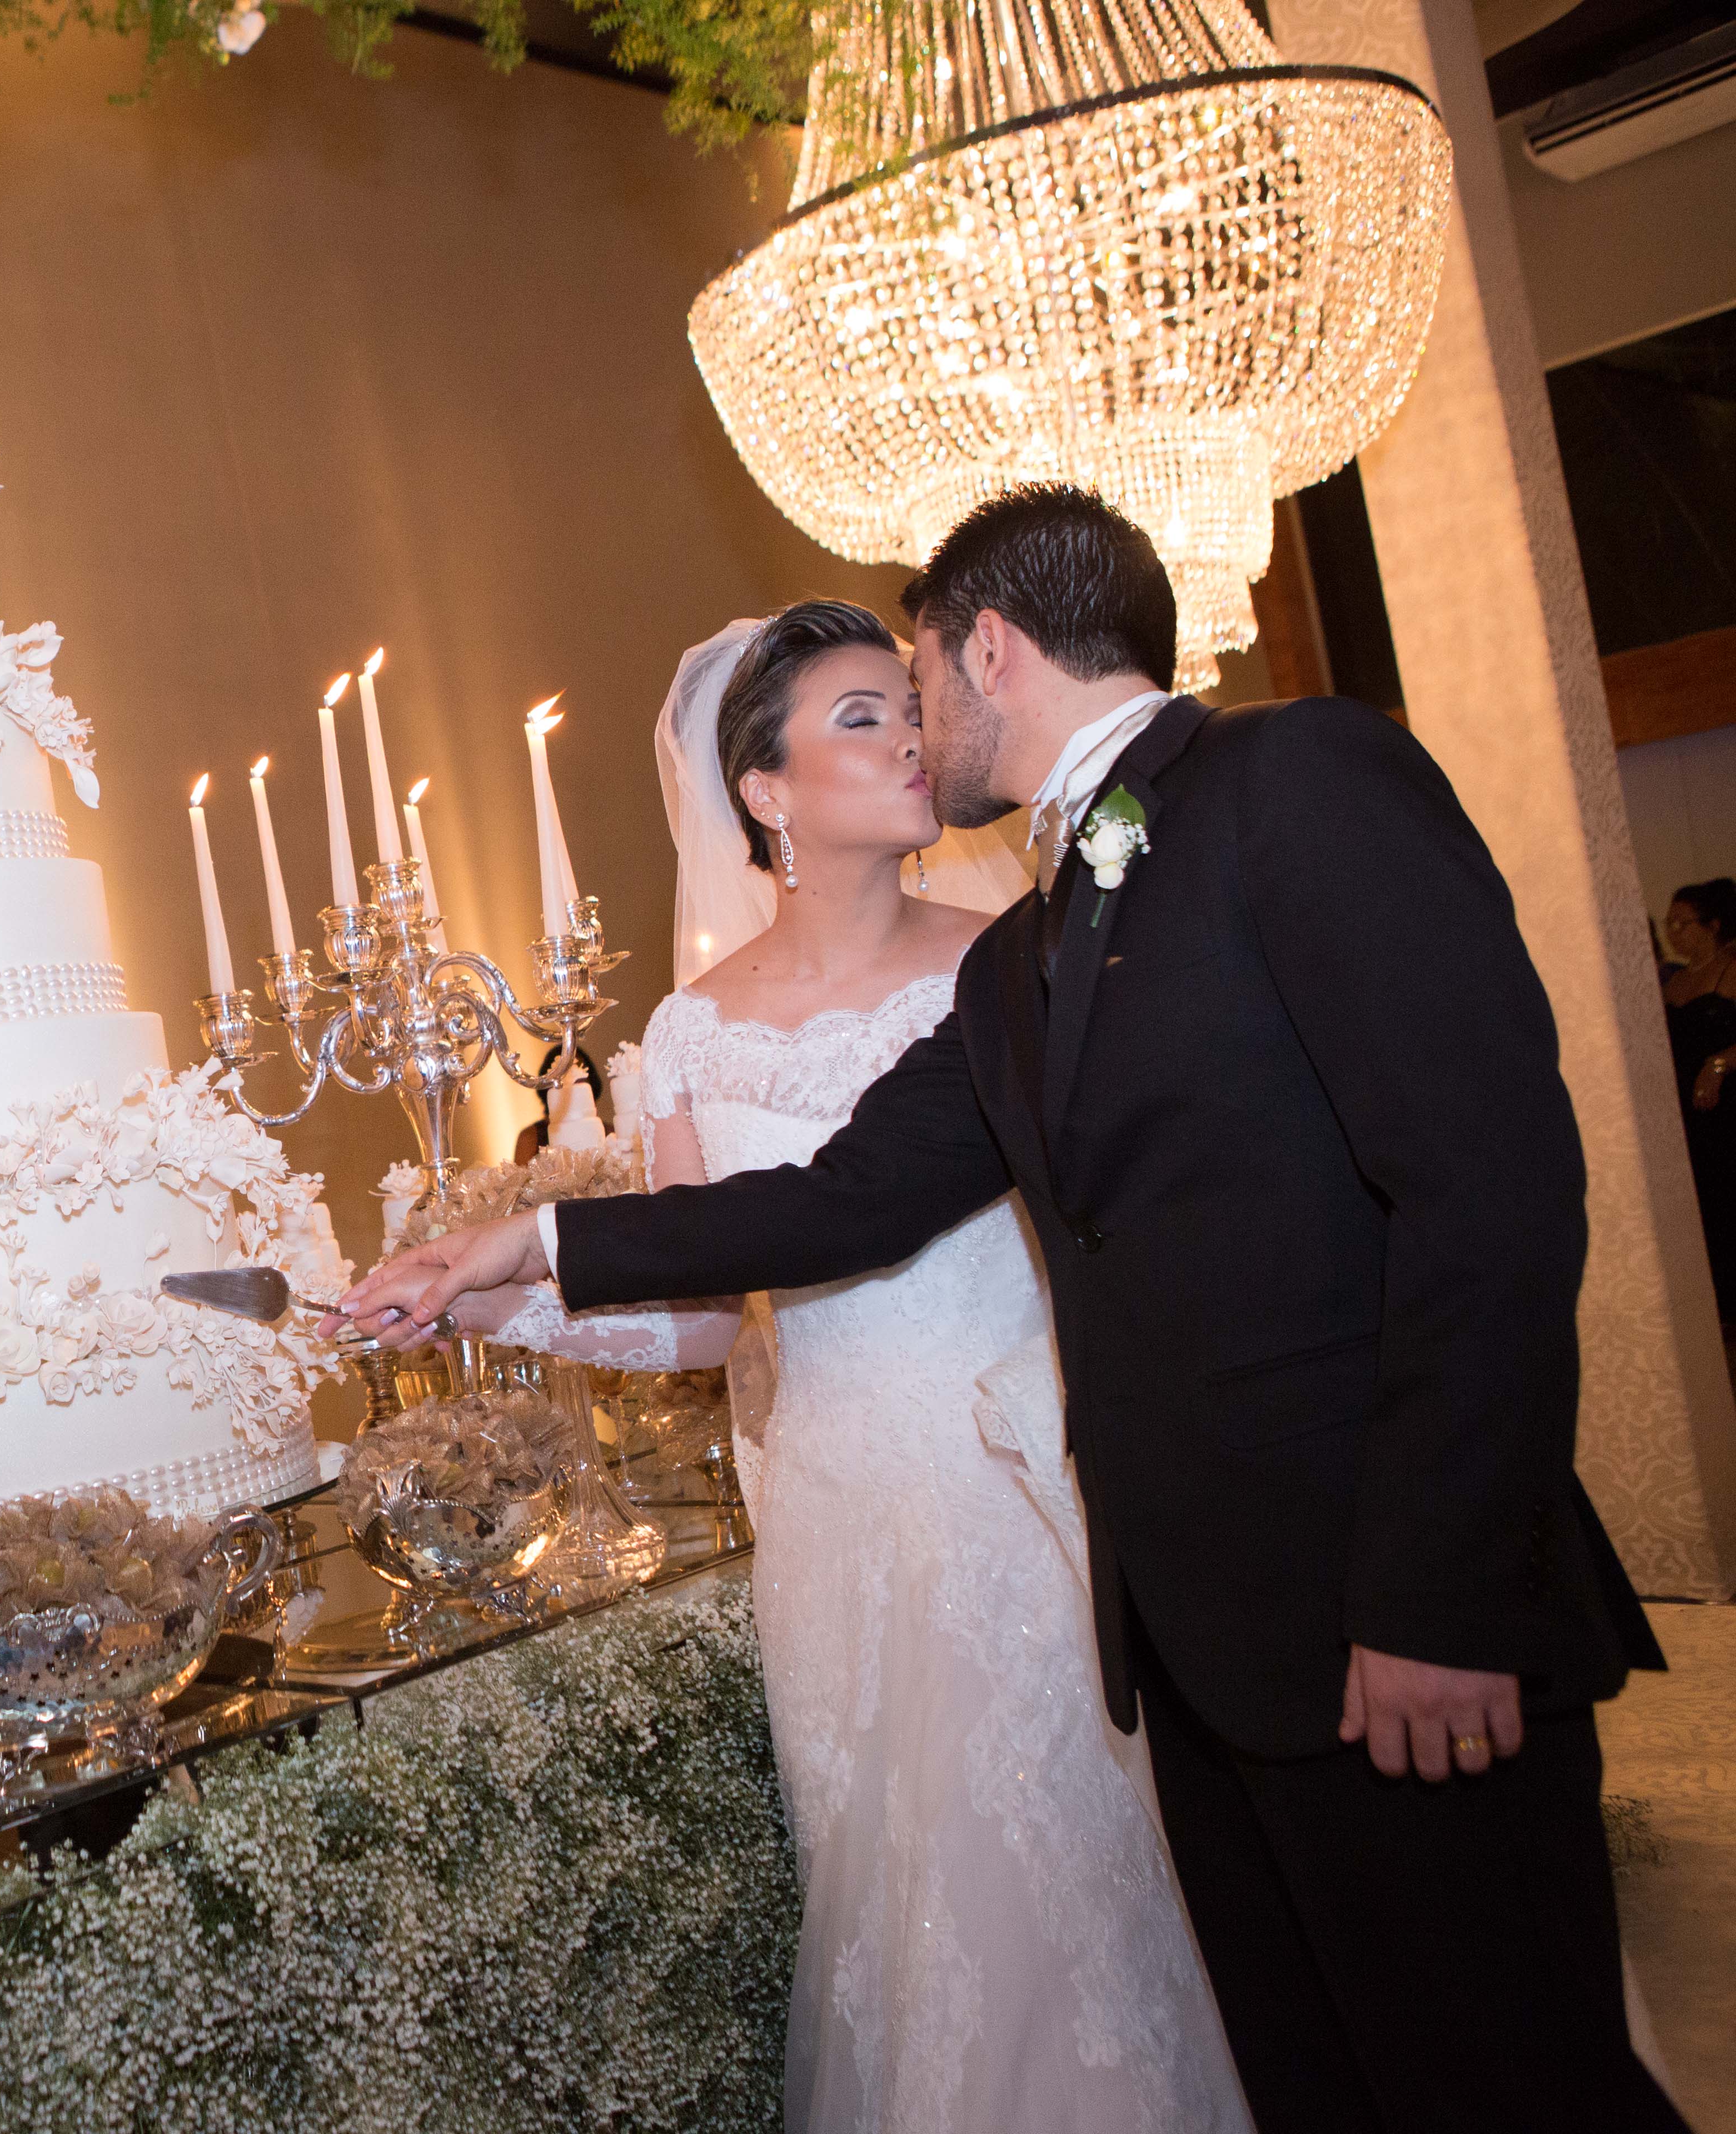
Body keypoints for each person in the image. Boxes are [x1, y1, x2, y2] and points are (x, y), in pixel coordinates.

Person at [342, 487, 1678, 2133]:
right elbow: (838, 1202)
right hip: (1198, 1653)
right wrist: (525, 1248)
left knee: (1513, 2086)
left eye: (917, 680)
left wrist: (1437, 1598)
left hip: (1389, 1616)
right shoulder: (1030, 945)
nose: (917, 722)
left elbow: (1489, 1200)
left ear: (990, 648)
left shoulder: (1294, 783)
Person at [449, 596, 1248, 2131]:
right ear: (765, 794)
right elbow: (701, 1312)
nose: (912, 736)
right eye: (862, 717)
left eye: (910, 704)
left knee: (1090, 1879)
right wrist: (506, 1304)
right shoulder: (686, 1036)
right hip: (831, 1508)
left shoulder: (1014, 969)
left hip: (1027, 1476)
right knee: (916, 1908)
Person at [1660, 879, 1736, 1325]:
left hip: (1729, 1106)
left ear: (1714, 924)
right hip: (1690, 1117)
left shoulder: (1731, 968)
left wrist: (1721, 1064)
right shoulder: (1675, 981)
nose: (1674, 933)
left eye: (1682, 924)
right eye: (1669, 925)